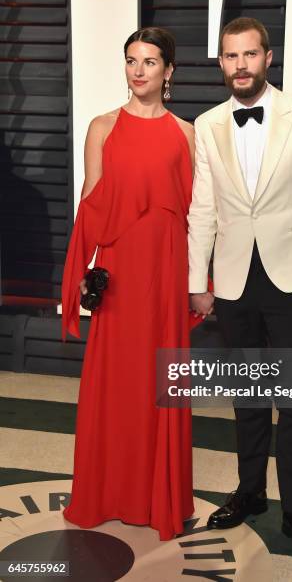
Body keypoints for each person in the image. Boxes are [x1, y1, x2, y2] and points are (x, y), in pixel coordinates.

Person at [188, 17, 292, 563]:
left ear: (267, 58)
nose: (240, 66)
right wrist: (197, 283)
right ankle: (249, 492)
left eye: (249, 55)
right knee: (248, 398)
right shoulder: (206, 124)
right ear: (222, 63)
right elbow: (202, 208)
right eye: (230, 57)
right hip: (232, 283)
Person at [61, 27, 197, 540]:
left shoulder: (185, 133)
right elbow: (91, 203)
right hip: (118, 273)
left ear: (169, 71)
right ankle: (106, 492)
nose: (138, 70)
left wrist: (200, 279)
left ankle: (159, 499)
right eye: (131, 60)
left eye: (150, 61)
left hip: (165, 272)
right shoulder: (102, 127)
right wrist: (79, 272)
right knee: (115, 384)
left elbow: (195, 214)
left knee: (159, 383)